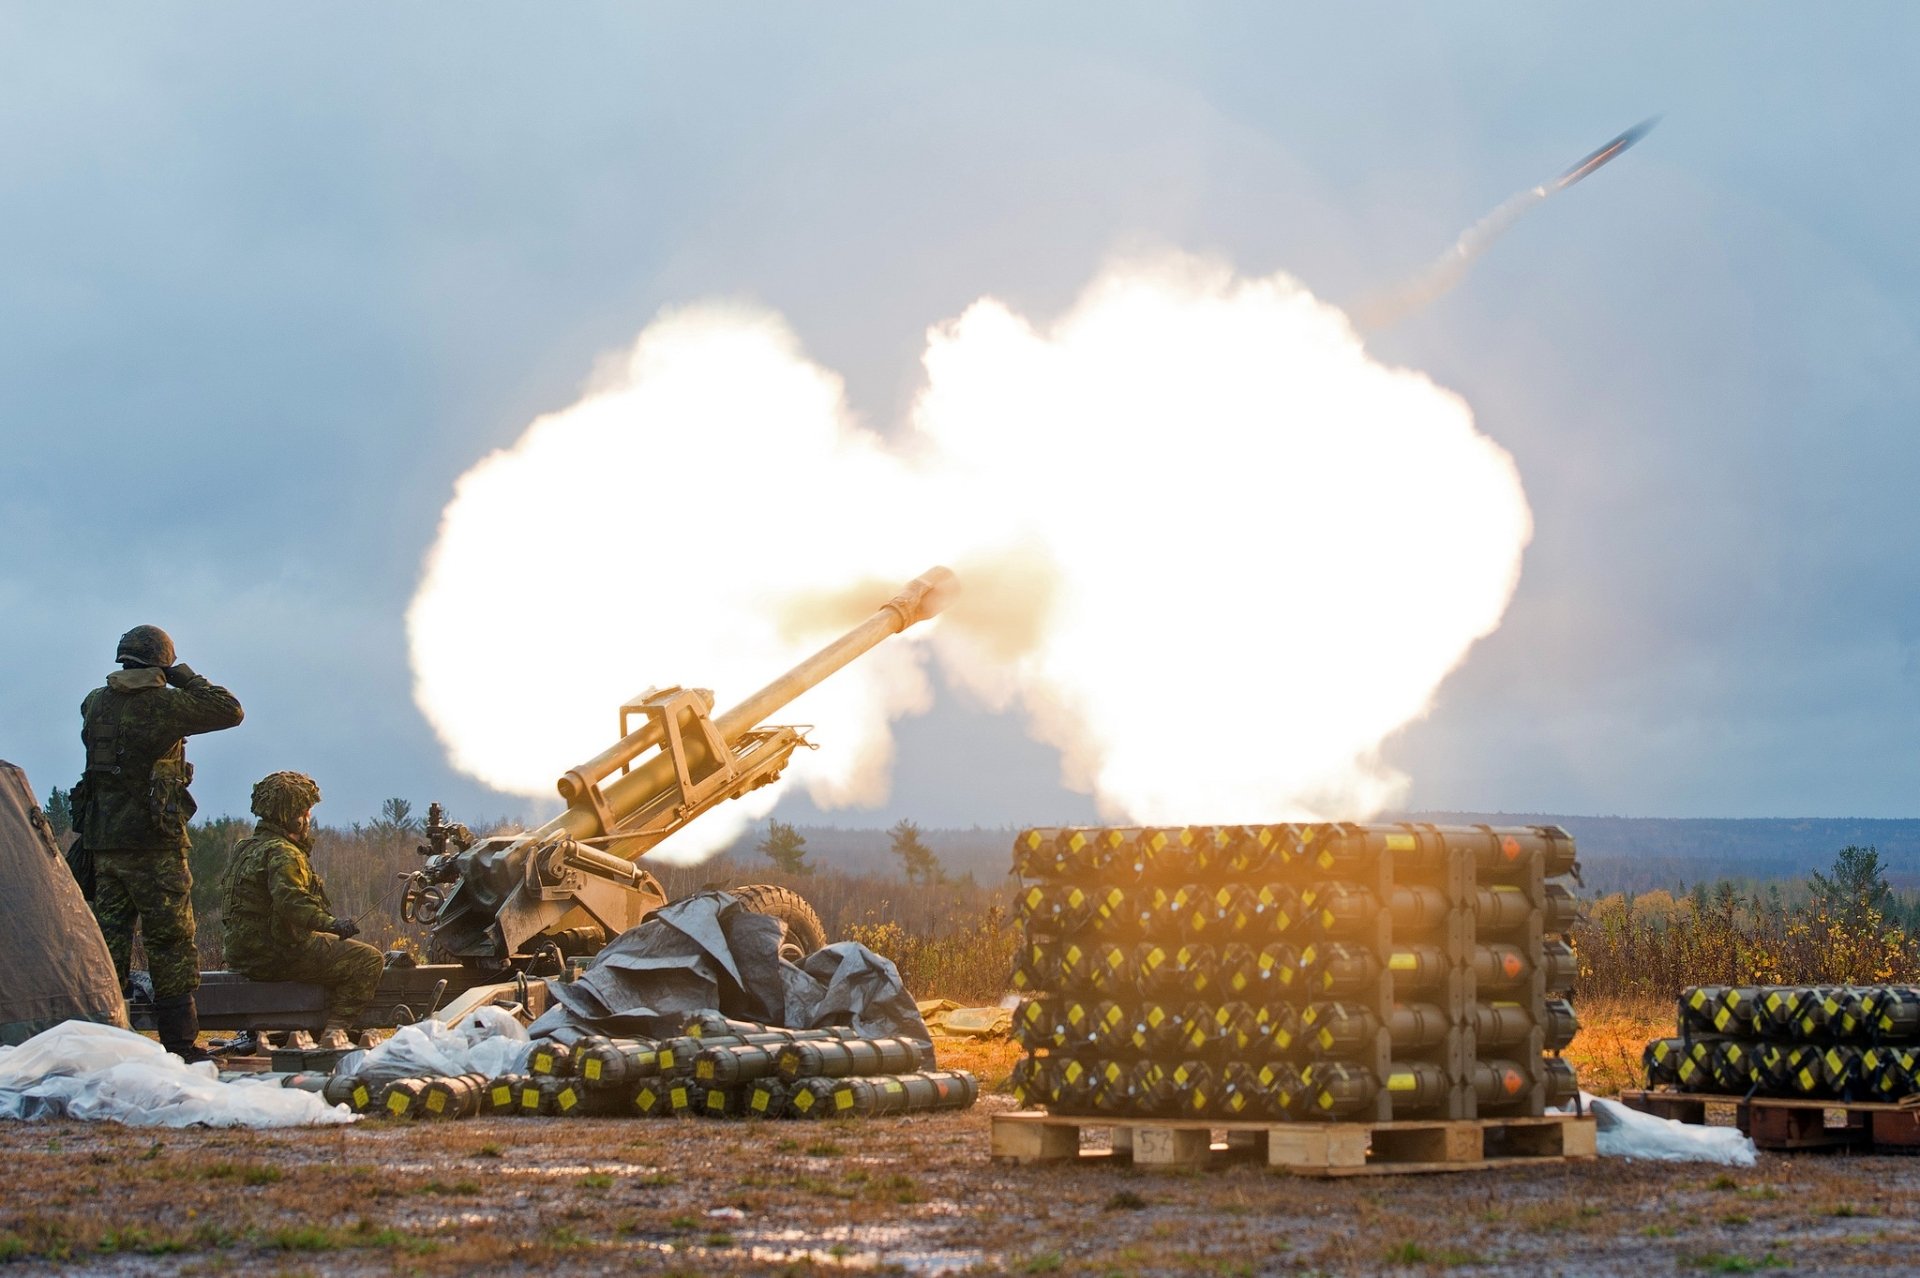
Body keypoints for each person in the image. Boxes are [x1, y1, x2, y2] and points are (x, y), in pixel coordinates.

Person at [75, 625, 244, 1062]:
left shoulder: (95, 703)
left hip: (103, 849)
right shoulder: (164, 705)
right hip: (154, 848)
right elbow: (229, 710)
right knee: (170, 944)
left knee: (107, 943)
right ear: (160, 663)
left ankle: (102, 1039)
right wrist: (181, 674)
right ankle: (181, 1045)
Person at [220, 771, 385, 1049]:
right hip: (277, 954)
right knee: (368, 959)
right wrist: (332, 924)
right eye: (305, 811)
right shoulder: (284, 852)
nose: (308, 818)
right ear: (293, 816)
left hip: (241, 953)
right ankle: (335, 1032)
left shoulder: (245, 847)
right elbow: (292, 903)